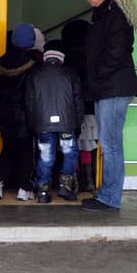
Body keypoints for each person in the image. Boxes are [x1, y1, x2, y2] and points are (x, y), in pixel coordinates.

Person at [80, 0, 137, 212]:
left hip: (113, 88)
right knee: (109, 143)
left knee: (110, 144)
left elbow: (115, 54)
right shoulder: (105, 14)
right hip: (107, 87)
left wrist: (94, 78)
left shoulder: (114, 16)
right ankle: (107, 194)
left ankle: (109, 198)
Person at [25, 40, 84, 203]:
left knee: (45, 155)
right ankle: (65, 187)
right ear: (61, 56)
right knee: (69, 153)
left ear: (46, 56)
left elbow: (29, 103)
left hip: (43, 124)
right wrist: (78, 124)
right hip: (67, 124)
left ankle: (43, 191)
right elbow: (79, 103)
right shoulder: (71, 74)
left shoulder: (34, 74)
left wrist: (33, 124)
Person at [0, 22, 39, 201]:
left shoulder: (2, 61)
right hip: (25, 117)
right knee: (26, 153)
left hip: (5, 117)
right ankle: (23, 188)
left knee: (8, 149)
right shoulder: (34, 63)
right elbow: (34, 94)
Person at [62, 19, 98, 192]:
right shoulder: (93, 56)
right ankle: (89, 179)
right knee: (86, 146)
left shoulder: (66, 58)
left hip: (69, 110)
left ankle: (72, 181)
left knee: (70, 147)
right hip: (90, 108)